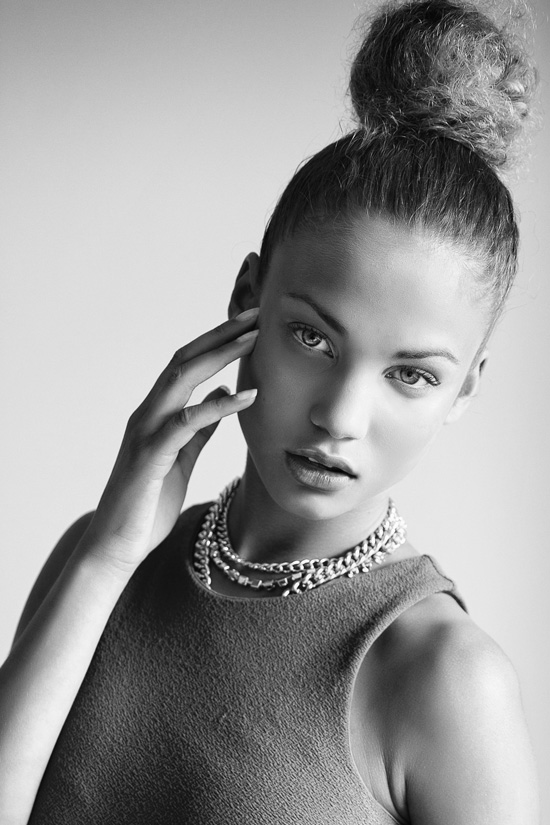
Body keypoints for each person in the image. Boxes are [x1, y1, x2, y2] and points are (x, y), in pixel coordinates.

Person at [0, 0, 540, 822]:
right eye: (313, 338)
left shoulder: (443, 678)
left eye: (411, 374)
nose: (340, 416)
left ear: (464, 388)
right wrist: (105, 560)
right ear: (247, 298)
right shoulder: (99, 560)